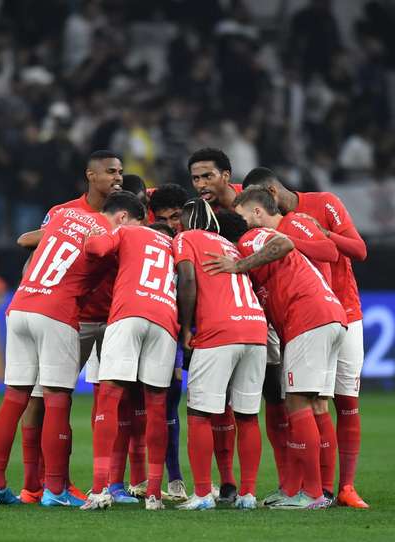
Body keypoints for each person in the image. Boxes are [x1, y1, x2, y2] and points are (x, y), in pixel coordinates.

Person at [0, 191, 144, 508]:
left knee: (15, 397)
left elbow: (30, 242)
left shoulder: (63, 215)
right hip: (57, 312)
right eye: (134, 226)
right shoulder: (108, 234)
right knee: (57, 400)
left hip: (21, 304)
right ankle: (55, 490)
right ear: (123, 217)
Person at [203, 193, 348, 510]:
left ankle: (311, 494)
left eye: (240, 212)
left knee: (295, 402)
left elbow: (284, 244)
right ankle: (301, 488)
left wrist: (238, 265)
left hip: (309, 320)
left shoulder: (254, 237)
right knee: (311, 404)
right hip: (327, 319)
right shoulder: (260, 253)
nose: (240, 218)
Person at [242, 166, 370, 508]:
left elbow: (356, 250)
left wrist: (308, 237)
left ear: (268, 196)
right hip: (313, 315)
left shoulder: (319, 206)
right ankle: (320, 490)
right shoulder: (279, 227)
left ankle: (341, 487)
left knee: (343, 400)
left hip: (338, 310)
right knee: (316, 402)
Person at [15, 150, 128, 505]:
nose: (117, 178)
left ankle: (114, 483)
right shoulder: (64, 213)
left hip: (113, 319)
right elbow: (34, 256)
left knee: (114, 401)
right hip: (72, 318)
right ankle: (37, 484)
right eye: (111, 172)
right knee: (42, 399)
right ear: (90, 176)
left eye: (121, 173)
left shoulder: (125, 214)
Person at [173, 198, 267, 511]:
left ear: (190, 219)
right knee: (247, 415)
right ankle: (248, 495)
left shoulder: (187, 237)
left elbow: (187, 279)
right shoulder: (231, 245)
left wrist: (186, 327)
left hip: (219, 331)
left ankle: (201, 495)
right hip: (255, 330)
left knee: (200, 413)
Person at [82, 214, 179, 511]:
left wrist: (100, 232)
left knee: (109, 398)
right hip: (165, 319)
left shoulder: (126, 231)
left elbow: (95, 248)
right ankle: (153, 494)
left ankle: (99, 490)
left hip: (129, 313)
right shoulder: (173, 244)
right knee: (157, 406)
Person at [187, 147, 242, 500]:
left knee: (267, 402)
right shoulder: (200, 215)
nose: (201, 184)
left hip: (249, 313)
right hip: (216, 318)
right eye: (195, 178)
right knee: (217, 403)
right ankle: (229, 482)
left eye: (207, 176)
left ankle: (300, 485)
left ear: (226, 175)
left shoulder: (249, 207)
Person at [148, 221, 188, 502]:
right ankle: (131, 482)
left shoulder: (176, 271)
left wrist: (177, 359)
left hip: (168, 341)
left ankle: (174, 479)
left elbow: (180, 314)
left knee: (169, 407)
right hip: (137, 336)